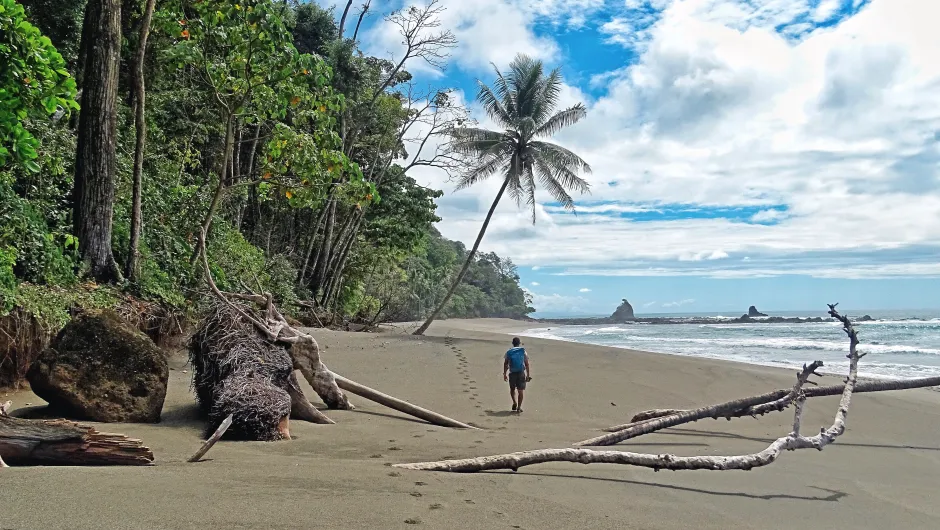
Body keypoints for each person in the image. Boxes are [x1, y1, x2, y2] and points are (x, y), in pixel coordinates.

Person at [503, 337, 531, 413]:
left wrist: (504, 374)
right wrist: (528, 375)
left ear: (513, 343)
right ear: (519, 343)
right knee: (520, 391)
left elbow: (505, 364)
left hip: (512, 373)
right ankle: (519, 407)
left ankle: (514, 402)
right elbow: (527, 364)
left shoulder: (509, 352)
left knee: (512, 389)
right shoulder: (523, 351)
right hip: (521, 372)